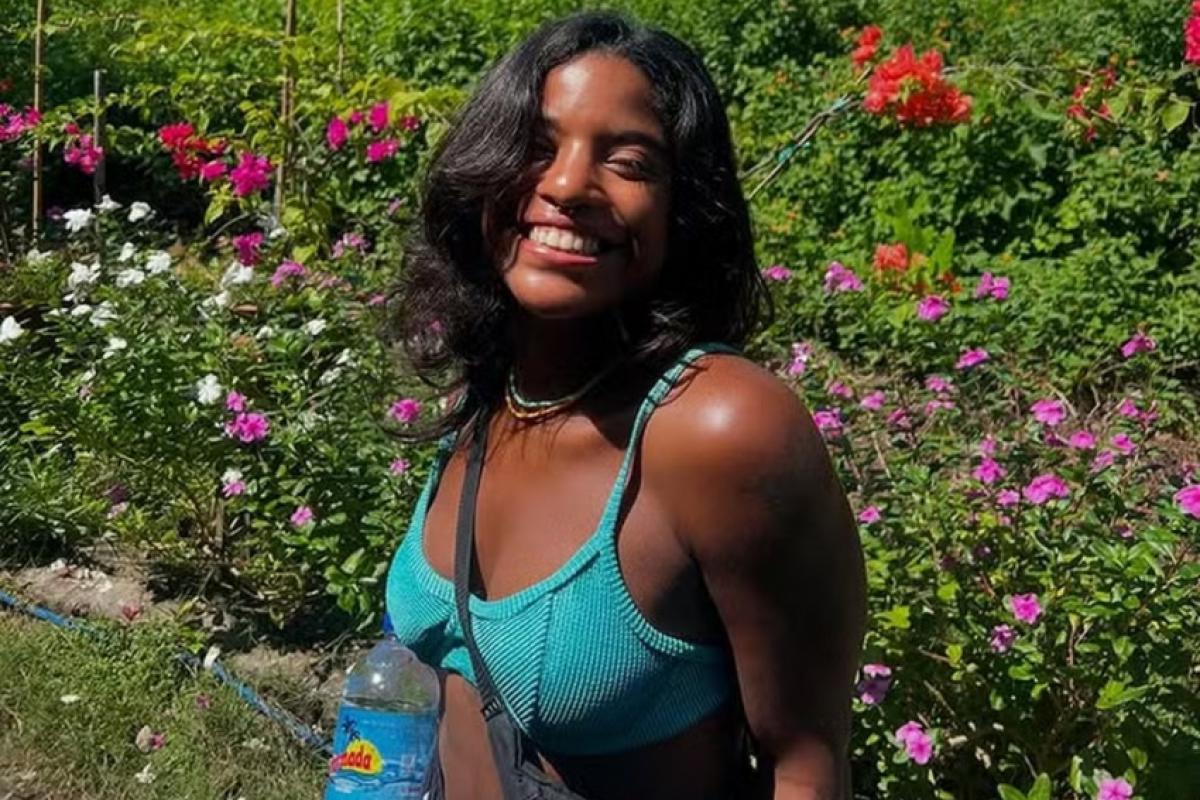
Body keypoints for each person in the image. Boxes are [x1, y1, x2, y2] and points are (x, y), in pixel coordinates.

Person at [384, 11, 866, 800]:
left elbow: (806, 767)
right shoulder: (496, 394)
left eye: (630, 162)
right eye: (536, 145)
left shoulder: (719, 430)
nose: (567, 184)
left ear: (685, 211)